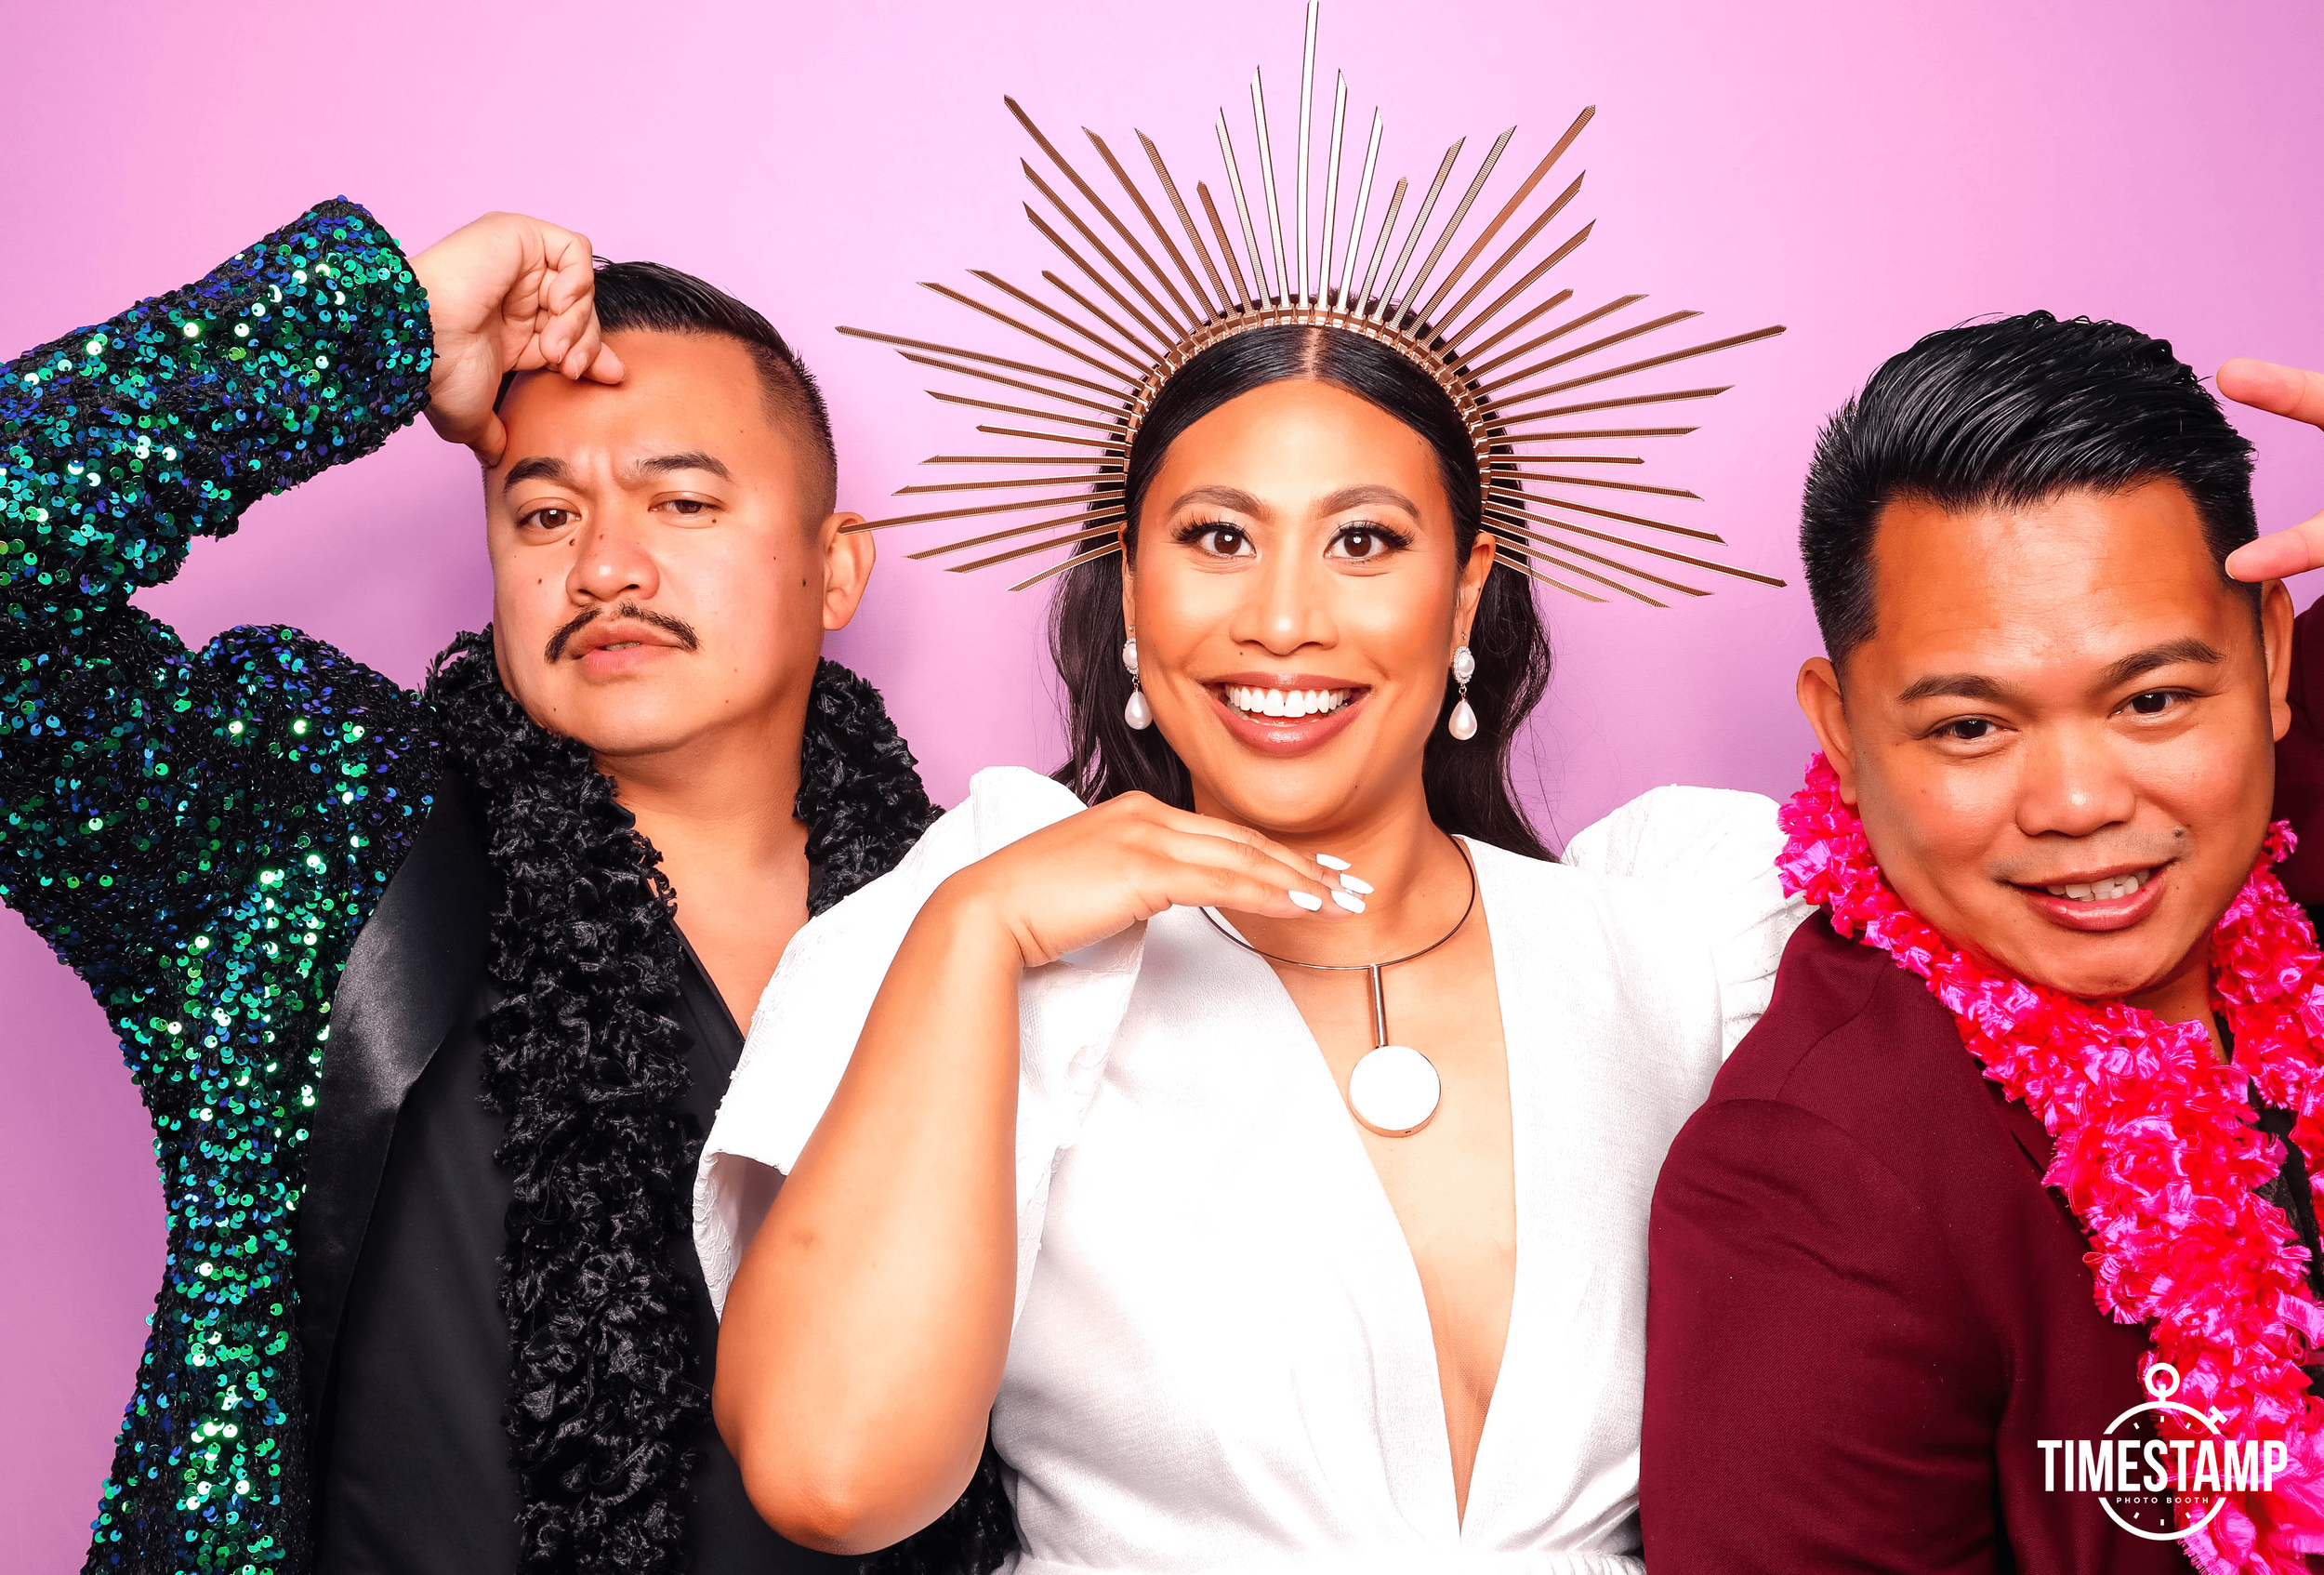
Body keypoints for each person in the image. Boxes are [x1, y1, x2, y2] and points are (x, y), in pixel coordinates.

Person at [0, 203, 976, 1575]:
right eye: (544, 511)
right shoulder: (309, 833)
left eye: (683, 502)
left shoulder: (970, 923)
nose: (604, 565)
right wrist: (379, 324)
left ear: (832, 569)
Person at [1641, 314, 2324, 1572]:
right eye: (1970, 727)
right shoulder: (1815, 1190)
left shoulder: (2289, 838)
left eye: (2155, 698)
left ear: (2275, 657)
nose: (2079, 801)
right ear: (1842, 729)